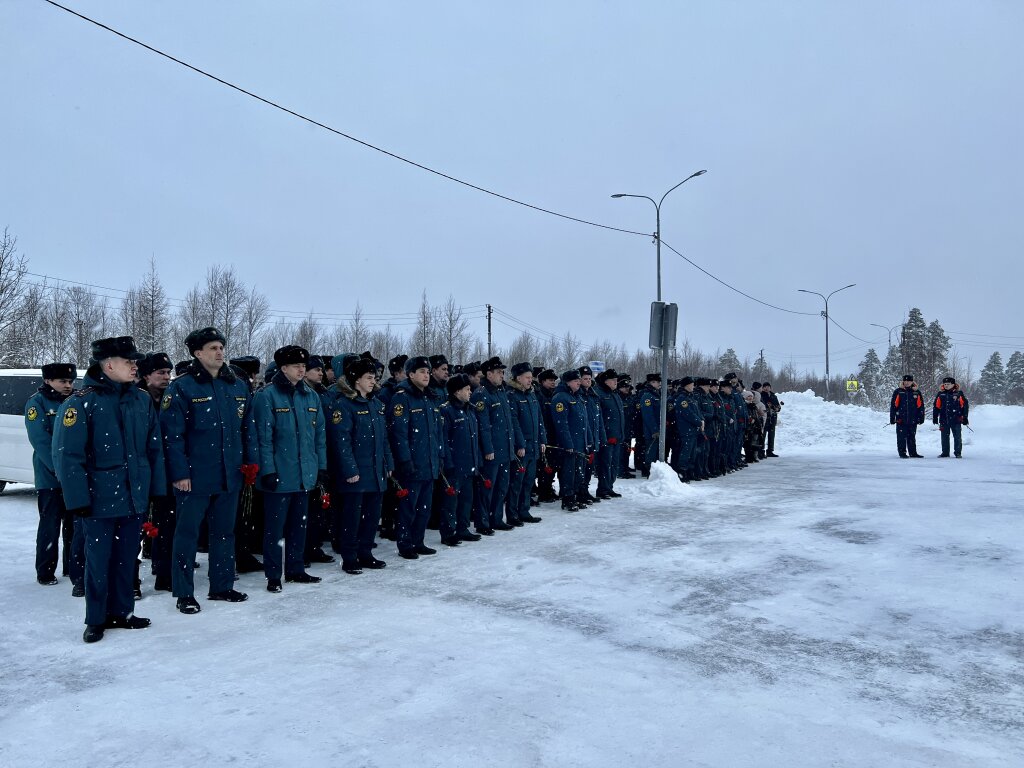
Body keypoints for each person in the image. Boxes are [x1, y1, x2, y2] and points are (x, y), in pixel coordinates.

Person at [53, 336, 165, 644]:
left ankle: (122, 612)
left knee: (127, 557)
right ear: (109, 365)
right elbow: (68, 456)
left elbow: (153, 448)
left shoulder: (140, 400)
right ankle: (96, 618)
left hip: (133, 497)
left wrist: (154, 490)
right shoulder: (80, 403)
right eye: (130, 362)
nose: (135, 367)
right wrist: (78, 500)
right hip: (98, 499)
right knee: (98, 561)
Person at [160, 327, 257, 614]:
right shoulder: (182, 387)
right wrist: (179, 474)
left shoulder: (237, 385)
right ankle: (184, 592)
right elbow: (172, 437)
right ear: (197, 353)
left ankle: (222, 585)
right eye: (213, 348)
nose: (219, 352)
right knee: (187, 534)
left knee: (225, 533)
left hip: (230, 474)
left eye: (221, 347)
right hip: (195, 476)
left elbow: (248, 428)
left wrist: (250, 463)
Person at [252, 345, 328, 592]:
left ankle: (296, 569)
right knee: (275, 529)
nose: (301, 370)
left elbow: (319, 437)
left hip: (305, 475)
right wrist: (268, 470)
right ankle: (274, 575)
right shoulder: (267, 396)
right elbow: (263, 438)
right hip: (279, 474)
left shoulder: (311, 396)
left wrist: (321, 467)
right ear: (283, 368)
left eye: (303, 366)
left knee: (299, 524)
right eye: (296, 366)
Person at [323, 357, 392, 573]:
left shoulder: (376, 404)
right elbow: (340, 441)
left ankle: (365, 553)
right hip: (356, 474)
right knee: (352, 517)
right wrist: (350, 469)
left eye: (374, 378)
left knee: (372, 516)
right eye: (368, 378)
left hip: (375, 470)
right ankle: (350, 556)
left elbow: (384, 439)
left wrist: (387, 462)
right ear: (356, 380)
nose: (373, 381)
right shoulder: (344, 405)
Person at [25, 362, 84, 593]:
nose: (68, 385)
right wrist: (59, 470)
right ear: (48, 381)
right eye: (63, 381)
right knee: (50, 524)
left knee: (74, 523)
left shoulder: (75, 401)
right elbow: (40, 441)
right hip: (49, 476)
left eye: (70, 381)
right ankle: (45, 570)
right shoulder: (37, 403)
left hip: (74, 475)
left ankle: (72, 566)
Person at [387, 355, 444, 558]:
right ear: (411, 374)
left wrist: (440, 457)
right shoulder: (401, 398)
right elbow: (399, 434)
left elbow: (437, 432)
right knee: (408, 508)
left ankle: (418, 541)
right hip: (412, 464)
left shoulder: (430, 398)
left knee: (424, 508)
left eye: (428, 372)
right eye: (422, 371)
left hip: (429, 463)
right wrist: (405, 460)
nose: (426, 375)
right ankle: (405, 544)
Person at [136, 352, 175, 594]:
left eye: (168, 372)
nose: (166, 377)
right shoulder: (136, 399)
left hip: (166, 472)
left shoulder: (171, 398)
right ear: (146, 375)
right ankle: (131, 581)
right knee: (134, 530)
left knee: (166, 524)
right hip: (141, 472)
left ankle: (164, 573)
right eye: (160, 372)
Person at [471, 357, 522, 531]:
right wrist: (488, 449)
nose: (502, 375)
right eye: (499, 372)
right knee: (487, 489)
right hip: (492, 452)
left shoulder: (501, 392)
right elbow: (483, 426)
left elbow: (509, 423)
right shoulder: (481, 394)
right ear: (489, 373)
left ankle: (497, 519)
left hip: (505, 450)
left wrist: (513, 445)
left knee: (502, 487)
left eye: (502, 372)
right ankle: (483, 522)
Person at [439, 373, 484, 545]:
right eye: (467, 389)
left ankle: (463, 528)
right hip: (455, 465)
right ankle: (448, 532)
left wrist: (477, 459)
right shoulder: (446, 410)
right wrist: (448, 463)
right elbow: (443, 439)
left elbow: (474, 437)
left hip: (469, 464)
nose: (470, 392)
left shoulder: (469, 409)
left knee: (466, 500)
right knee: (450, 501)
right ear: (457, 392)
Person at [505, 362, 545, 523]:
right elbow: (514, 423)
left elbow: (539, 419)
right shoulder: (512, 395)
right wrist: (520, 444)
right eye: (527, 377)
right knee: (516, 483)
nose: (530, 380)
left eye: (531, 377)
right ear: (518, 378)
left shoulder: (531, 394)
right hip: (522, 448)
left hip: (533, 446)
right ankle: (512, 514)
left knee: (529, 482)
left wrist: (542, 439)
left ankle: (524, 511)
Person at [551, 369, 588, 512]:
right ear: (567, 383)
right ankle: (568, 499)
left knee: (578, 473)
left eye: (579, 380)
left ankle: (576, 497)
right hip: (570, 445)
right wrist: (568, 443)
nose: (579, 383)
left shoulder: (577, 397)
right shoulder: (561, 398)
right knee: (568, 473)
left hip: (579, 443)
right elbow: (561, 424)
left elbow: (584, 422)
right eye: (575, 381)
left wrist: (587, 441)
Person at [594, 369, 624, 498]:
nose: (615, 382)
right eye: (613, 380)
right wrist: (605, 436)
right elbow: (600, 418)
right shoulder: (600, 394)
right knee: (605, 464)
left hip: (617, 436)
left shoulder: (615, 395)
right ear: (605, 381)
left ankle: (609, 486)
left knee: (614, 464)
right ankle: (603, 489)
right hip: (607, 437)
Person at [534, 369, 560, 503]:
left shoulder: (553, 395)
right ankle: (543, 491)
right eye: (550, 380)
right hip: (545, 436)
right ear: (542, 381)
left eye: (554, 380)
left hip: (554, 436)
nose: (553, 383)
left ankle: (548, 488)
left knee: (552, 465)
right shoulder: (539, 396)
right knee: (545, 465)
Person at [671, 377, 704, 482]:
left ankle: (690, 472)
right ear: (686, 385)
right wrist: (699, 422)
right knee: (686, 452)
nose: (693, 386)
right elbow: (688, 414)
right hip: (686, 430)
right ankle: (682, 472)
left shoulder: (691, 397)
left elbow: (697, 411)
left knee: (692, 453)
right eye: (691, 384)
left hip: (693, 430)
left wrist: (701, 420)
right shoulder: (682, 398)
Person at [889, 375, 925, 458]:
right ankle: (902, 453)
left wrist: (921, 417)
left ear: (912, 382)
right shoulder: (898, 392)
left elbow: (921, 406)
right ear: (903, 382)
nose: (907, 382)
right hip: (901, 419)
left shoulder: (917, 392)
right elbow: (893, 406)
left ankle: (913, 453)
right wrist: (892, 417)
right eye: (905, 381)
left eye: (909, 381)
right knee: (901, 437)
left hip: (913, 419)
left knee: (912, 437)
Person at [933, 377, 969, 458]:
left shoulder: (959, 393)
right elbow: (936, 406)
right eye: (945, 384)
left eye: (948, 384)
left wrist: (965, 417)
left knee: (957, 437)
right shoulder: (940, 394)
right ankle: (945, 453)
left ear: (953, 384)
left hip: (956, 419)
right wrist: (935, 417)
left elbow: (964, 406)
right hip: (943, 419)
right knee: (944, 437)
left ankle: (958, 453)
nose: (946, 385)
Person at [638, 373, 662, 476]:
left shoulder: (656, 394)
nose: (659, 384)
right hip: (651, 431)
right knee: (651, 453)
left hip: (658, 429)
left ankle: (653, 472)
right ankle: (649, 472)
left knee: (655, 452)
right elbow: (648, 415)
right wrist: (654, 430)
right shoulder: (647, 396)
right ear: (652, 382)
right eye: (657, 382)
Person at [760, 382, 781, 458]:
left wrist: (777, 408)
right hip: (765, 417)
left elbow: (778, 406)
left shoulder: (773, 396)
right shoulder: (761, 395)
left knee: (772, 434)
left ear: (770, 388)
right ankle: (761, 450)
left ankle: (770, 450)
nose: (766, 388)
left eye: (768, 387)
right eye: (764, 387)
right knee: (763, 434)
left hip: (773, 417)